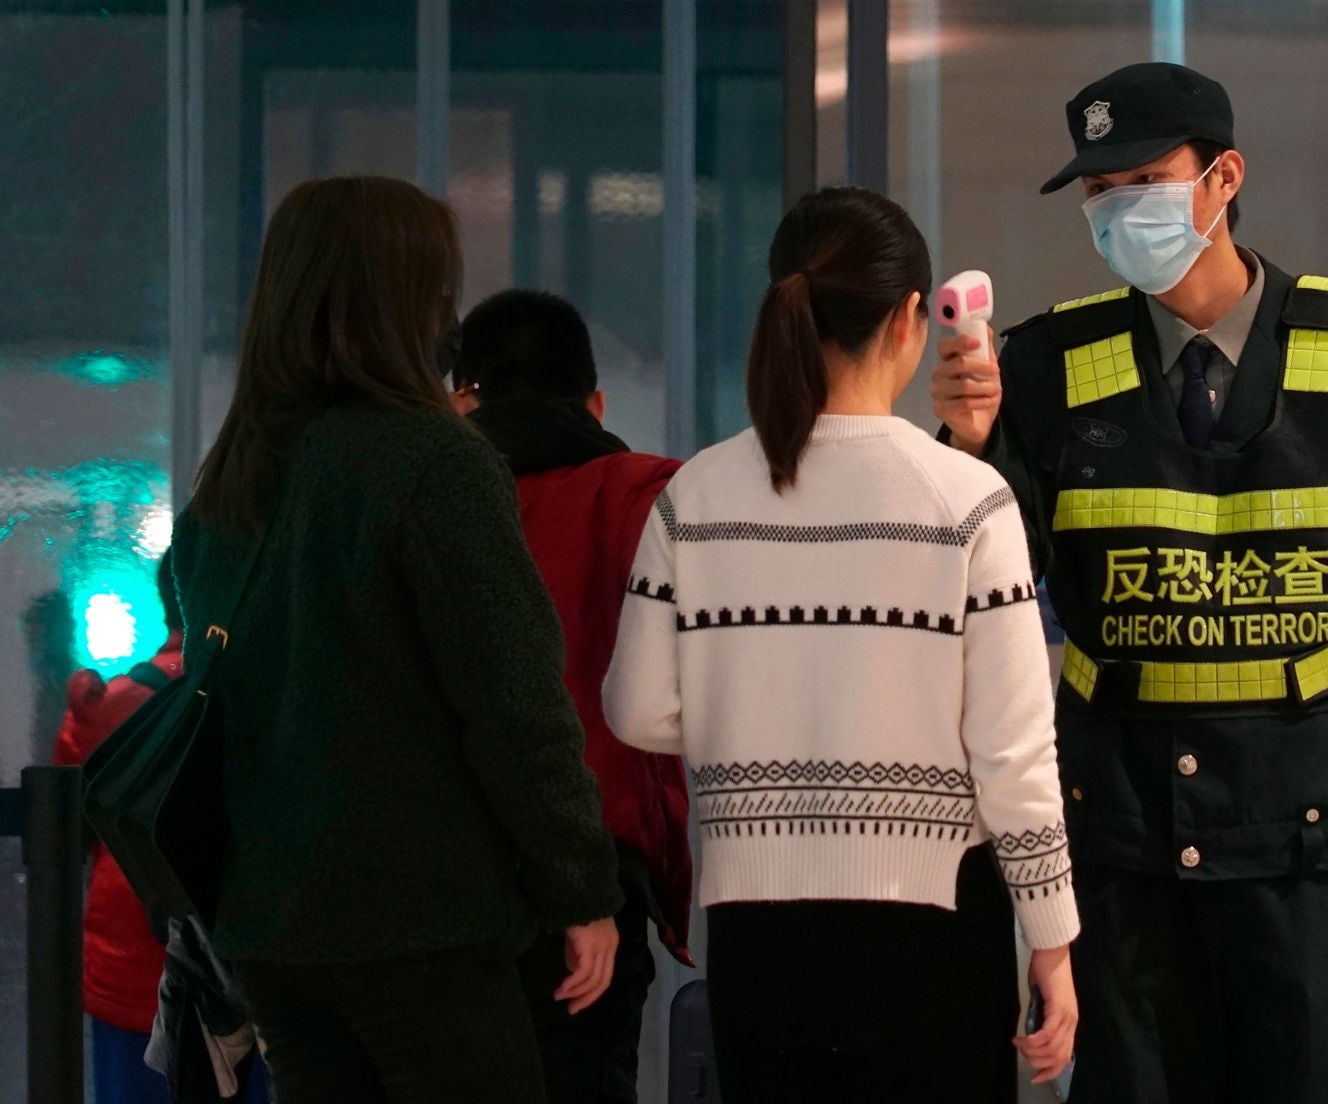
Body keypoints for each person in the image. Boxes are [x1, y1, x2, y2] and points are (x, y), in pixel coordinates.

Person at [933, 62, 1328, 1104]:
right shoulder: (1050, 365)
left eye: (1142, 180)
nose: (1116, 211)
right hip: (1122, 840)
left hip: (1309, 844)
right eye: (1097, 194)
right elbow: (992, 593)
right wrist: (969, 446)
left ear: (1222, 177)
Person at [604, 186, 1080, 1104]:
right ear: (911, 317)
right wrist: (1052, 938)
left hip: (755, 928)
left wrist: (760, 709)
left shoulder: (697, 496)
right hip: (938, 924)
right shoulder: (968, 500)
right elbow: (1015, 756)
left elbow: (637, 708)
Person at [170, 176, 623, 1104]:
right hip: (419, 923)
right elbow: (514, 704)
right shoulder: (433, 460)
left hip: (270, 927)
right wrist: (581, 887)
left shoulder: (232, 476)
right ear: (408, 300)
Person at [450, 288, 694, 1104]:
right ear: (595, 403)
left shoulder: (421, 502)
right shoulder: (647, 497)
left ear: (460, 401)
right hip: (593, 880)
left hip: (438, 885)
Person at [54, 552, 269, 1104]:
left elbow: (61, 827)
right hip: (247, 975)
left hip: (129, 979)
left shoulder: (111, 704)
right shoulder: (268, 700)